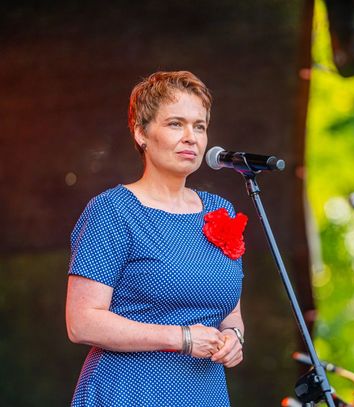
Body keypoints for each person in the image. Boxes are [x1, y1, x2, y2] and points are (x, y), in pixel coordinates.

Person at [65, 71, 247, 406]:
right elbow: (82, 322)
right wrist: (181, 338)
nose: (191, 137)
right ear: (141, 133)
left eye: (200, 126)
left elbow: (229, 311)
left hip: (204, 393)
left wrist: (234, 336)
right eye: (176, 124)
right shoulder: (113, 210)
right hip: (129, 391)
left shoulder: (221, 211)